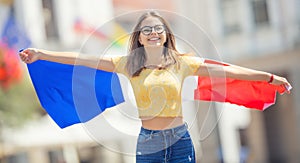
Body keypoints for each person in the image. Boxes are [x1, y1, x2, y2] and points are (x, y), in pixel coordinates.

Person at [19, 11, 291, 163]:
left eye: (158, 28)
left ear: (166, 34)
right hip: (148, 141)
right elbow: (82, 60)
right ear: (139, 37)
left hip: (180, 140)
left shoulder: (182, 63)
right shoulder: (127, 63)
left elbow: (227, 71)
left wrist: (267, 78)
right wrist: (42, 54)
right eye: (146, 30)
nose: (153, 33)